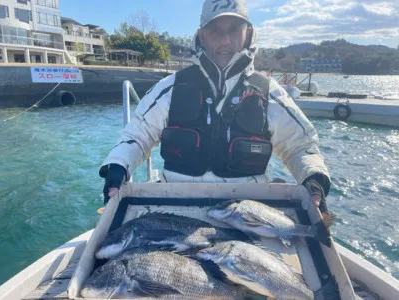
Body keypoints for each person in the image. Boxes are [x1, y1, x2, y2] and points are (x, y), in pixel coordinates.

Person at [99, 0, 331, 215]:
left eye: (233, 30)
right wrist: (118, 166)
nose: (225, 40)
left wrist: (313, 176)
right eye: (215, 31)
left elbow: (301, 146)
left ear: (248, 33)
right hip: (174, 209)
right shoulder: (170, 88)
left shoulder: (270, 93)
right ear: (201, 36)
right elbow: (138, 135)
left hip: (246, 214)